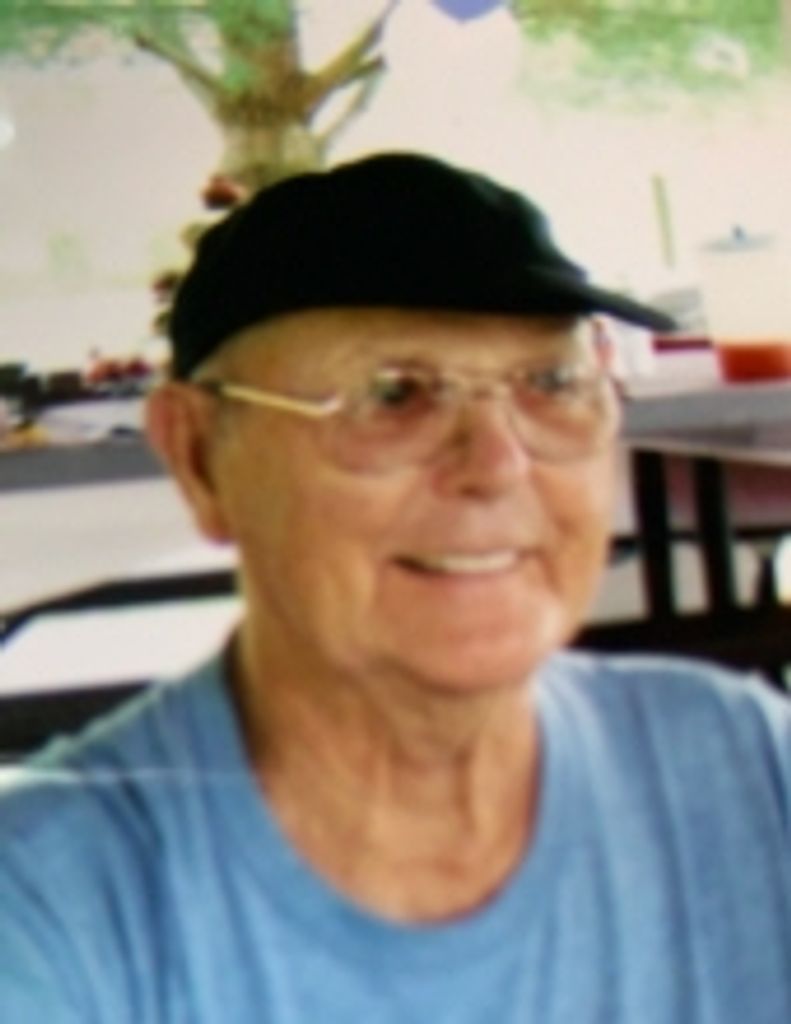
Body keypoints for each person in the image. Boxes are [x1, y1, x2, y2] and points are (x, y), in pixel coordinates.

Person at [1, 152, 790, 1023]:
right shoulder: (49, 910)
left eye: (550, 383)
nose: (496, 463)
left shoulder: (746, 772)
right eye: (392, 395)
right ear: (197, 456)